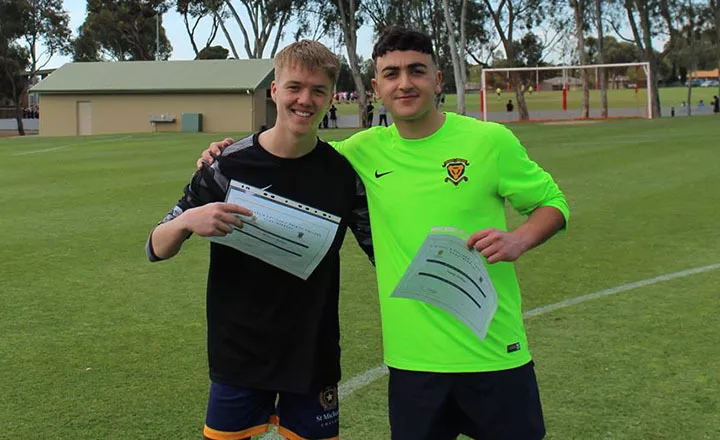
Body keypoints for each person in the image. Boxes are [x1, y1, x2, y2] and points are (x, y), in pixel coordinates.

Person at [200, 26, 568, 440]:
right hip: (412, 365)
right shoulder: (360, 151)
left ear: (437, 79)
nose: (405, 83)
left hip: (497, 354)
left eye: (417, 71)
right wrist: (226, 153)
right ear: (377, 87)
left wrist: (519, 238)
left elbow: (553, 203)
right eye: (392, 74)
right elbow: (289, 153)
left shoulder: (490, 141)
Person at [148, 40, 373, 440]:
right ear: (274, 90)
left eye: (318, 90)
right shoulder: (226, 165)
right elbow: (156, 245)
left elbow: (383, 252)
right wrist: (190, 220)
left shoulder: (343, 176)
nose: (305, 100)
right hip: (239, 356)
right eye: (294, 87)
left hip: (312, 355)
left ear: (329, 97)